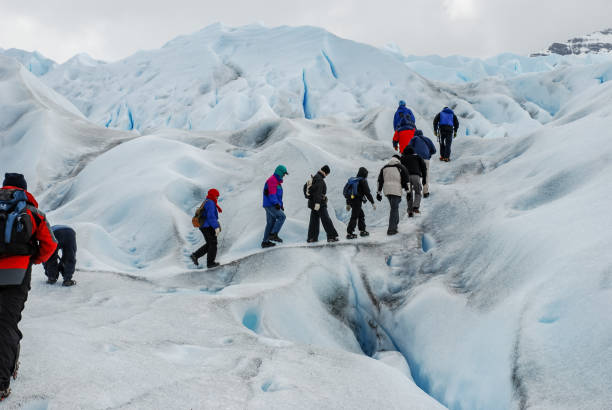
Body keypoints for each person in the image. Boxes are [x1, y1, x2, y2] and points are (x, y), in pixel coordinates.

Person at [0, 173, 57, 400]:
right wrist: (32, 259)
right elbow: (50, 244)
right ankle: (2, 381)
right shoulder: (33, 212)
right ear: (24, 188)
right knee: (6, 324)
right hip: (17, 273)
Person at [376, 156, 409, 235]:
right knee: (394, 208)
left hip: (387, 191)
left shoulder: (384, 168)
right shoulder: (401, 167)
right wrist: (408, 192)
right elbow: (406, 180)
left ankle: (395, 225)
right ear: (398, 160)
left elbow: (380, 181)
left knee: (394, 207)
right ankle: (391, 229)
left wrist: (378, 193)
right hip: (396, 190)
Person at [190, 189, 222, 268]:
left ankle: (195, 255)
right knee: (213, 244)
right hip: (207, 226)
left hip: (204, 226)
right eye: (216, 196)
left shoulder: (207, 201)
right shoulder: (210, 203)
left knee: (210, 244)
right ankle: (210, 263)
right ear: (213, 195)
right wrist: (216, 227)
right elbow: (211, 217)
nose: (217, 198)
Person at [307, 165, 339, 243]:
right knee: (326, 219)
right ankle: (331, 237)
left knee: (314, 221)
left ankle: (312, 238)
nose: (326, 176)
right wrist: (318, 203)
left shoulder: (315, 177)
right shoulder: (320, 179)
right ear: (325, 172)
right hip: (319, 204)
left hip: (313, 203)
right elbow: (318, 192)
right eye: (327, 174)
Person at [344, 167, 376, 239]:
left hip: (352, 201)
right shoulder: (363, 181)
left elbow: (349, 192)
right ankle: (350, 233)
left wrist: (348, 203)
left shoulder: (354, 180)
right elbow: (367, 193)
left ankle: (362, 230)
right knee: (355, 216)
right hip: (357, 201)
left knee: (361, 214)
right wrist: (372, 202)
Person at [261, 165, 288, 248]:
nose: (284, 175)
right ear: (279, 172)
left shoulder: (277, 182)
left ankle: (265, 242)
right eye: (284, 173)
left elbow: (278, 196)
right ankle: (273, 234)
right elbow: (272, 194)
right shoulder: (272, 180)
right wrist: (276, 203)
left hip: (271, 204)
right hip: (270, 204)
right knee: (282, 216)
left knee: (270, 223)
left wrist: (281, 205)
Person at [407, 129, 437, 198]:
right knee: (425, 175)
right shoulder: (427, 139)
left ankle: (415, 189)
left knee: (415, 174)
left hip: (416, 159)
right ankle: (425, 192)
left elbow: (409, 148)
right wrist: (428, 154)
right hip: (426, 159)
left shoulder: (414, 138)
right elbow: (434, 150)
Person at [401, 146, 427, 217]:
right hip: (416, 176)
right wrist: (424, 179)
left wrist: (402, 182)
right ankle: (415, 206)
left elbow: (400, 170)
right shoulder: (417, 157)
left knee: (409, 194)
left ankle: (410, 211)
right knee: (418, 191)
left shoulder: (402, 158)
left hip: (406, 178)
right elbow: (424, 168)